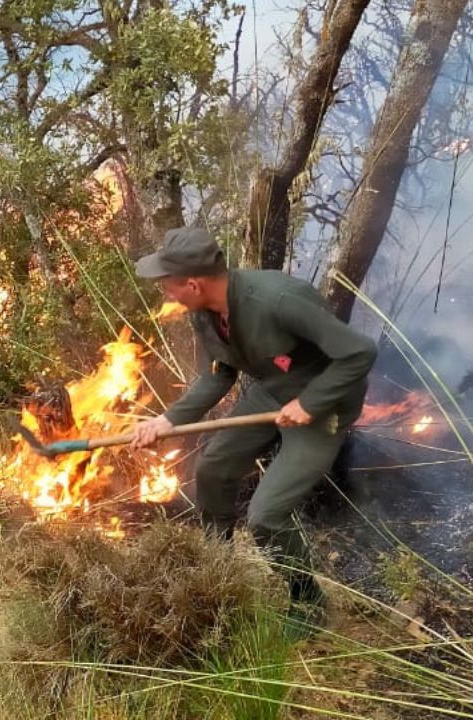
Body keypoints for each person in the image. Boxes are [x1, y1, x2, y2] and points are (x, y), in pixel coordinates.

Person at [129, 227, 376, 629]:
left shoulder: (278, 300)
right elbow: (218, 375)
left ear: (193, 283)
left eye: (166, 287)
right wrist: (167, 419)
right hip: (274, 392)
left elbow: (359, 353)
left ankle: (308, 602)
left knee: (266, 517)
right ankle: (218, 570)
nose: (166, 296)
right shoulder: (205, 315)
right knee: (213, 469)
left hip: (325, 403)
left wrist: (311, 403)